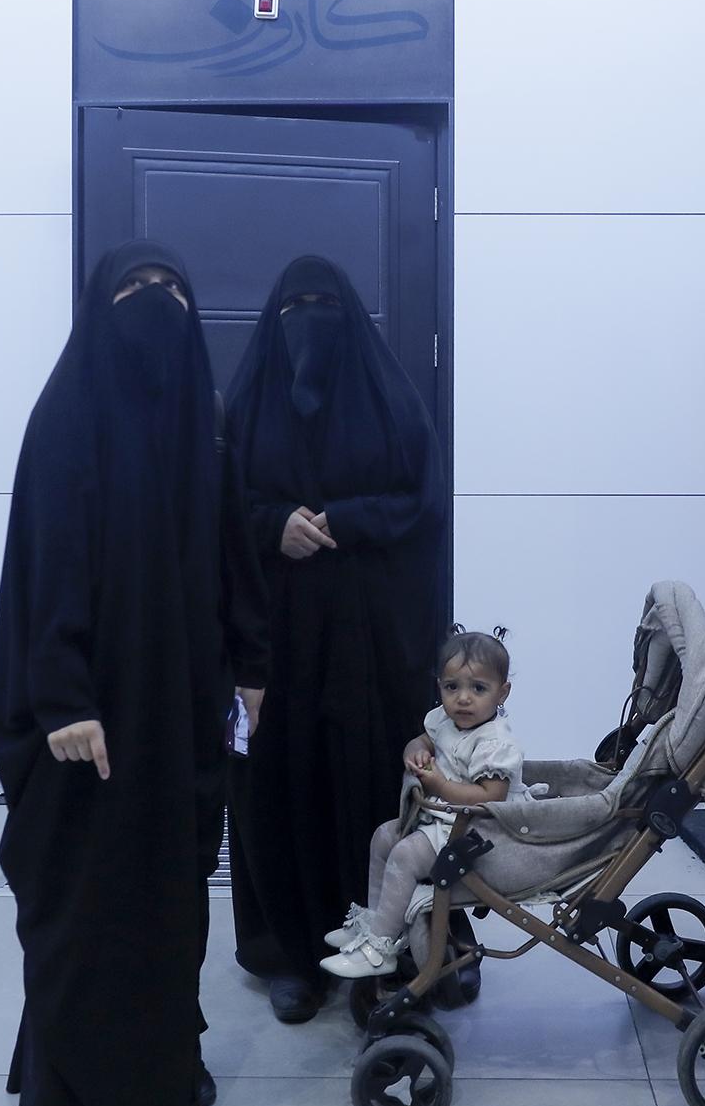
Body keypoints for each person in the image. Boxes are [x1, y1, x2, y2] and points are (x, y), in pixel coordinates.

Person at [0, 240, 267, 1106]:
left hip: (179, 709)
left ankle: (166, 1057)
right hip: (91, 714)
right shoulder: (68, 414)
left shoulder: (202, 422)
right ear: (99, 306)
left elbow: (232, 553)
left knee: (171, 894)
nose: (156, 302)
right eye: (136, 288)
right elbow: (45, 563)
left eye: (173, 289)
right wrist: (63, 694)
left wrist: (251, 666)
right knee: (91, 900)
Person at [224, 254, 447, 1022]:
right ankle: (288, 953)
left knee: (382, 788)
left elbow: (423, 503)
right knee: (277, 789)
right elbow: (215, 506)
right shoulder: (244, 407)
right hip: (273, 646)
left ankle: (411, 943)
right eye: (295, 308)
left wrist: (348, 520)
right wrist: (272, 525)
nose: (308, 321)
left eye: (323, 304)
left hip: (372, 643)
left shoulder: (392, 403)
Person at [321, 630, 523, 977]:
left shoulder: (495, 743)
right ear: (440, 686)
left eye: (478, 688)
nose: (463, 699)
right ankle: (376, 923)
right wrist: (414, 750)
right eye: (452, 687)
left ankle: (380, 949)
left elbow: (491, 797)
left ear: (502, 692)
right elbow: (423, 740)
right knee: (384, 837)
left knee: (404, 855)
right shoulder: (444, 720)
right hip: (443, 820)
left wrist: (440, 786)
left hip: (479, 832)